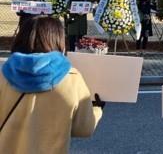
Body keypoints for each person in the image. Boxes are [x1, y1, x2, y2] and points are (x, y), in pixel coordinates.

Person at [0, 16, 104, 153]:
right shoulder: (71, 78)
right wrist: (97, 109)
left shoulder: (3, 74)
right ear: (59, 41)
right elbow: (84, 129)